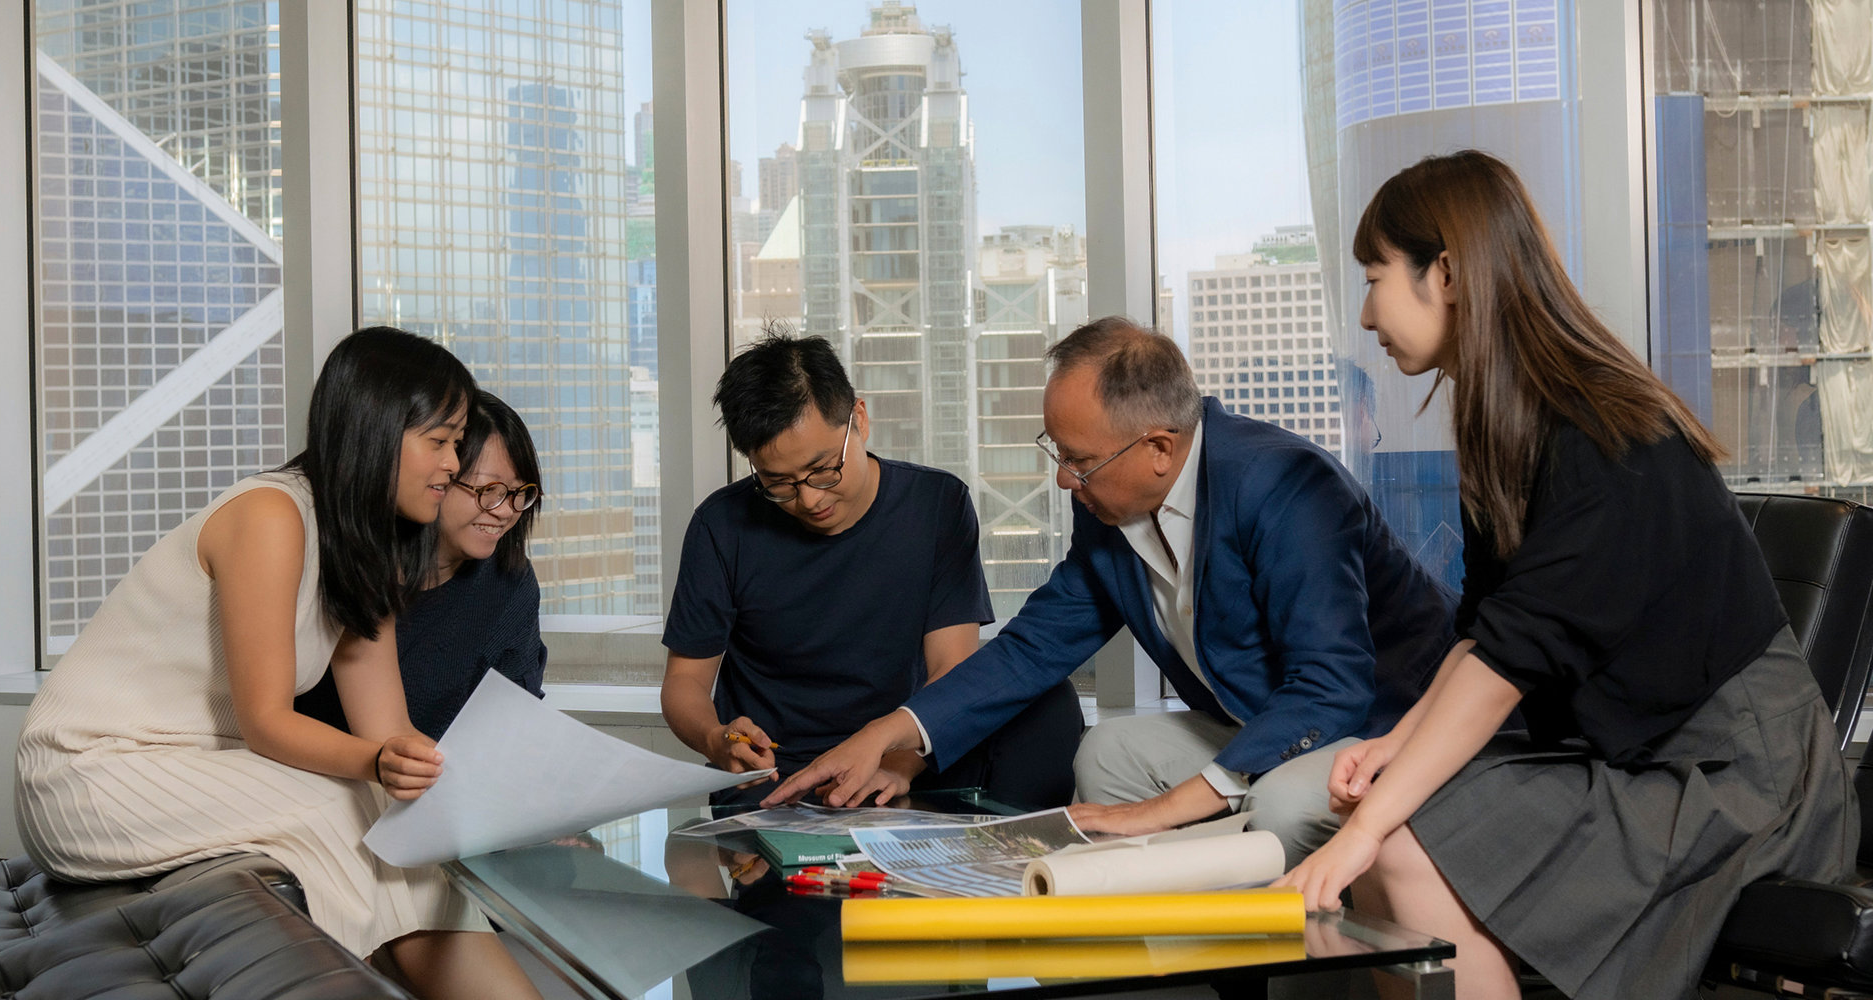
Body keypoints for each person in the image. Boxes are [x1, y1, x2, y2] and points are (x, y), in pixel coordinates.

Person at [1274, 150, 1857, 999]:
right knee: (1387, 830)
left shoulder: (1603, 438)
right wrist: (1394, 747)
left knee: (1395, 840)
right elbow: (1485, 628)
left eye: (1374, 278)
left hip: (1739, 774)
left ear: (1447, 273)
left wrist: (1371, 824)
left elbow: (1510, 663)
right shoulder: (1508, 431)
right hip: (1637, 749)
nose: (1365, 315)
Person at [766, 318, 1456, 866]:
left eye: (1079, 461)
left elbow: (1332, 686)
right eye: (1057, 453)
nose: (1064, 479)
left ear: (1159, 446)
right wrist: (887, 734)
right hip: (1258, 720)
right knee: (1106, 754)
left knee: (1277, 802)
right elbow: (1033, 647)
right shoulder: (1109, 503)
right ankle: (1164, 963)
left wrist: (1167, 807)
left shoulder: (1287, 485)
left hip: (1378, 726)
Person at [15, 327, 544, 1000]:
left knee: (397, 818)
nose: (452, 463)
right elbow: (267, 721)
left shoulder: (366, 549)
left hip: (194, 765)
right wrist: (381, 767)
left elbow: (387, 730)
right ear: (378, 429)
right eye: (440, 441)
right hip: (87, 770)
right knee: (345, 806)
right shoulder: (272, 513)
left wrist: (457, 795)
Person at [662, 330, 1083, 809]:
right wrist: (718, 739)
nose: (809, 499)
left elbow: (952, 667)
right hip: (778, 775)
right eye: (777, 484)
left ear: (858, 420)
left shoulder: (936, 504)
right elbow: (684, 683)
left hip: (902, 756)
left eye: (823, 469)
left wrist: (900, 766)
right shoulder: (722, 524)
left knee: (1048, 705)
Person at [297, 389, 548, 740]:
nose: (505, 511)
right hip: (320, 777)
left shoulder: (511, 582)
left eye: (520, 493)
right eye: (488, 489)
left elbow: (515, 721)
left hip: (437, 781)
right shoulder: (354, 566)